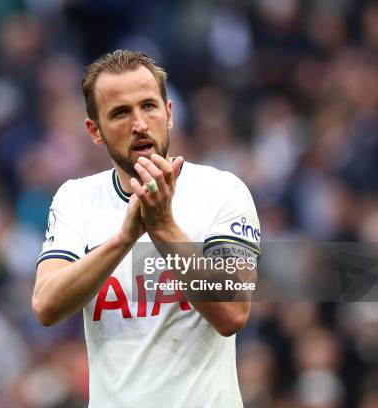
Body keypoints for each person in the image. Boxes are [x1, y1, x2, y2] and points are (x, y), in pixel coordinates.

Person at [32, 50, 261, 407]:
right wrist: (124, 239)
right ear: (95, 130)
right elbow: (46, 304)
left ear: (169, 114)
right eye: (120, 112)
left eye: (149, 106)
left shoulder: (222, 191)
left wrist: (164, 228)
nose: (139, 123)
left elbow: (233, 311)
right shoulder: (74, 199)